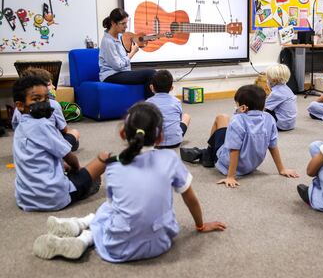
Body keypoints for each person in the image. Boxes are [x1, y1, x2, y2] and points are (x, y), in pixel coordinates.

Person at [32, 102, 226, 261]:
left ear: (123, 134)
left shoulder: (114, 166)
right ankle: (80, 230)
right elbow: (190, 198)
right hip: (160, 243)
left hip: (119, 248)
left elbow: (117, 207)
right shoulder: (170, 159)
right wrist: (200, 226)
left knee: (108, 209)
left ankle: (83, 234)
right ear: (159, 137)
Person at [12, 75, 109, 211]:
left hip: (25, 199)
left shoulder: (19, 126)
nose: (43, 103)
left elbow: (36, 158)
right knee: (104, 158)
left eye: (46, 98)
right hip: (54, 197)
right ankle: (82, 188)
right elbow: (70, 157)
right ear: (20, 105)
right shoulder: (43, 125)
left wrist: (63, 166)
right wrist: (76, 170)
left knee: (64, 166)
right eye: (36, 99)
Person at [180, 85, 299, 188]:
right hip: (251, 166)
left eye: (236, 104)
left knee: (221, 117)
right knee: (228, 126)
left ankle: (208, 154)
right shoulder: (270, 119)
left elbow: (234, 149)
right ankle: (206, 154)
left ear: (243, 107)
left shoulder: (237, 120)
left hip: (229, 165)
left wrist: (231, 177)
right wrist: (281, 169)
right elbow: (273, 146)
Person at [11, 68, 80, 151]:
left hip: (26, 147)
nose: (53, 86)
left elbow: (15, 127)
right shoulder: (54, 104)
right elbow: (64, 129)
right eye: (49, 84)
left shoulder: (18, 108)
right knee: (74, 132)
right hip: (50, 146)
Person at [99, 8, 155, 98]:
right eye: (123, 24)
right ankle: (148, 108)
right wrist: (132, 52)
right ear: (113, 23)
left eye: (126, 23)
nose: (126, 26)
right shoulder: (108, 42)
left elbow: (134, 40)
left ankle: (148, 105)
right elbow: (118, 65)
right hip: (111, 75)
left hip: (122, 72)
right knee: (151, 73)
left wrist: (146, 38)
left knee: (151, 75)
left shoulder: (120, 36)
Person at [146, 70, 191, 148]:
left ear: (151, 87)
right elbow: (179, 118)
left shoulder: (148, 103)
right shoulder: (177, 101)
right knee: (186, 116)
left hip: (155, 142)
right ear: (171, 88)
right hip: (176, 142)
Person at [264, 64, 297, 131]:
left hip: (281, 124)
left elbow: (263, 107)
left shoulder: (276, 93)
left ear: (273, 80)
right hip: (290, 123)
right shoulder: (286, 88)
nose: (267, 80)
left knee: (260, 113)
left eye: (268, 78)